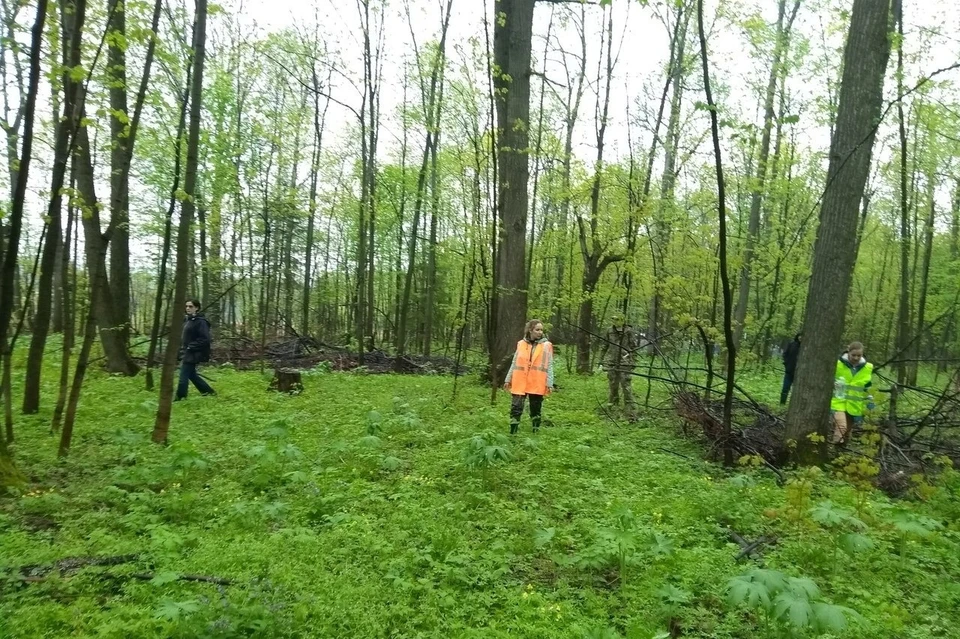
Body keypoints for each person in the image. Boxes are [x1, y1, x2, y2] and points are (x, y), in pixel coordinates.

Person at [503, 319, 554, 434]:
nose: (540, 332)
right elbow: (514, 362)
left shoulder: (547, 345)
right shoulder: (521, 344)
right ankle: (513, 433)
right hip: (520, 381)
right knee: (516, 408)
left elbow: (549, 365)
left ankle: (535, 432)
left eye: (541, 330)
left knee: (535, 409)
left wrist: (549, 383)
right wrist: (508, 378)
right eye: (537, 330)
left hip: (537, 382)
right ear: (530, 330)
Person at [830, 341, 873, 445]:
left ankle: (840, 452)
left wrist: (870, 400)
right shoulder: (838, 364)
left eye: (859, 355)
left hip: (854, 404)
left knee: (847, 432)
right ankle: (834, 446)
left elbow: (867, 387)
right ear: (848, 352)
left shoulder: (867, 368)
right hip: (838, 401)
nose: (856, 358)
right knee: (841, 427)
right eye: (853, 355)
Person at [599, 313, 639, 422]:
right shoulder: (609, 331)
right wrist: (601, 360)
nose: (615, 322)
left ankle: (631, 411)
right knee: (613, 385)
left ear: (622, 320)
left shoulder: (629, 332)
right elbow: (604, 346)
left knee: (626, 386)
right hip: (612, 362)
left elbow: (634, 347)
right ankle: (613, 408)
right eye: (613, 319)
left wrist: (633, 361)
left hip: (625, 362)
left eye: (617, 320)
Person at [176, 299, 216, 401]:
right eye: (186, 306)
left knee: (183, 375)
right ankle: (209, 392)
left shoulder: (201, 322)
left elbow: (205, 339)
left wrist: (191, 347)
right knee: (192, 375)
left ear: (197, 308)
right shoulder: (187, 320)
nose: (188, 308)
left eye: (191, 306)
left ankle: (180, 398)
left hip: (194, 353)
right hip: (185, 352)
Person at [781, 333, 801, 405]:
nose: (801, 338)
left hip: (799, 373)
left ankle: (793, 405)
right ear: (797, 336)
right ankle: (782, 403)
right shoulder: (792, 344)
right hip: (789, 371)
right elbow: (785, 354)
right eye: (800, 336)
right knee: (785, 389)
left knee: (796, 391)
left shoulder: (804, 347)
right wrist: (786, 364)